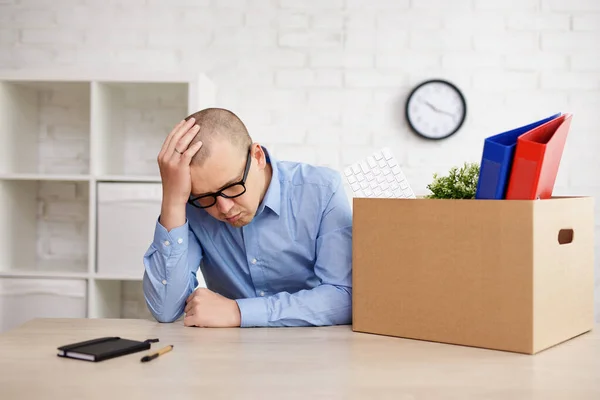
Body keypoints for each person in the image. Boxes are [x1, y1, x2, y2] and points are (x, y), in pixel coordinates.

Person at [142, 108, 353, 328]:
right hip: (230, 353)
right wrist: (173, 200)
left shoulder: (322, 190)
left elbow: (343, 297)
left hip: (315, 348)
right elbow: (165, 309)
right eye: (206, 197)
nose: (223, 208)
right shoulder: (193, 207)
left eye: (232, 186)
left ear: (258, 157)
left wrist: (239, 312)